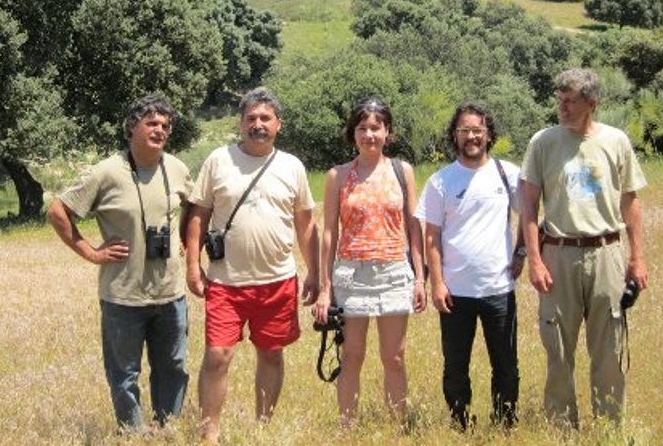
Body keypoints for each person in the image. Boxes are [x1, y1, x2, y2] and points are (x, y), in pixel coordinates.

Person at [47, 95, 193, 433]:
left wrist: (186, 238)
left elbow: (194, 206)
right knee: (124, 373)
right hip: (122, 295)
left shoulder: (176, 168)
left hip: (170, 293)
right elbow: (57, 211)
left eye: (165, 126)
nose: (160, 130)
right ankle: (132, 432)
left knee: (173, 365)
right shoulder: (106, 171)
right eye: (152, 123)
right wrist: (91, 252)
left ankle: (167, 427)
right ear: (132, 127)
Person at [185, 87, 319, 444]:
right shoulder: (218, 160)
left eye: (265, 118)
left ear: (279, 124)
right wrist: (192, 266)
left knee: (271, 355)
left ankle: (263, 428)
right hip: (225, 282)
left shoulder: (292, 166)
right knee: (217, 355)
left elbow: (305, 224)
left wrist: (315, 272)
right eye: (251, 119)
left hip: (277, 280)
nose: (257, 125)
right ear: (240, 123)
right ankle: (209, 432)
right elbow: (198, 215)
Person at [520, 68, 648, 426]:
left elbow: (630, 202)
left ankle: (609, 424)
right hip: (558, 252)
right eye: (559, 99)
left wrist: (637, 258)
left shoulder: (616, 141)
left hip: (607, 252)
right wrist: (534, 259)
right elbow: (528, 205)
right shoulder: (542, 142)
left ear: (592, 103)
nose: (562, 106)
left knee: (609, 344)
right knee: (557, 345)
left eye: (570, 101)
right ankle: (561, 426)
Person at [314, 97, 427, 426]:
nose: (369, 135)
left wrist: (420, 278)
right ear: (353, 134)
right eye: (362, 128)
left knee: (394, 357)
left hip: (393, 271)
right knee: (352, 356)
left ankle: (397, 426)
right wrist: (325, 289)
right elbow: (328, 233)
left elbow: (413, 228)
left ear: (387, 132)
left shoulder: (402, 171)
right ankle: (347, 427)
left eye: (376, 127)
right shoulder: (338, 175)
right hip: (351, 274)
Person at [416, 102, 523, 430]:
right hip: (454, 292)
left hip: (498, 289)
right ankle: (460, 421)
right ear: (454, 135)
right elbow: (431, 237)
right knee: (455, 365)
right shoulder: (441, 181)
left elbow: (531, 218)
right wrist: (437, 283)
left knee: (505, 364)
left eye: (478, 130)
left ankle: (504, 422)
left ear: (489, 134)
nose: (471, 136)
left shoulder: (509, 174)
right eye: (464, 130)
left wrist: (520, 254)